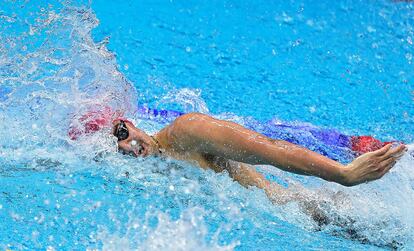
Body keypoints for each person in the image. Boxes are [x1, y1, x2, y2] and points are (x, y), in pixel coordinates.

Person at [69, 109, 407, 205]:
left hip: (313, 213)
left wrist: (342, 173)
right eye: (116, 149)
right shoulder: (142, 172)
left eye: (121, 134)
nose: (127, 147)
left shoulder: (189, 131)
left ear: (128, 122)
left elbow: (271, 149)